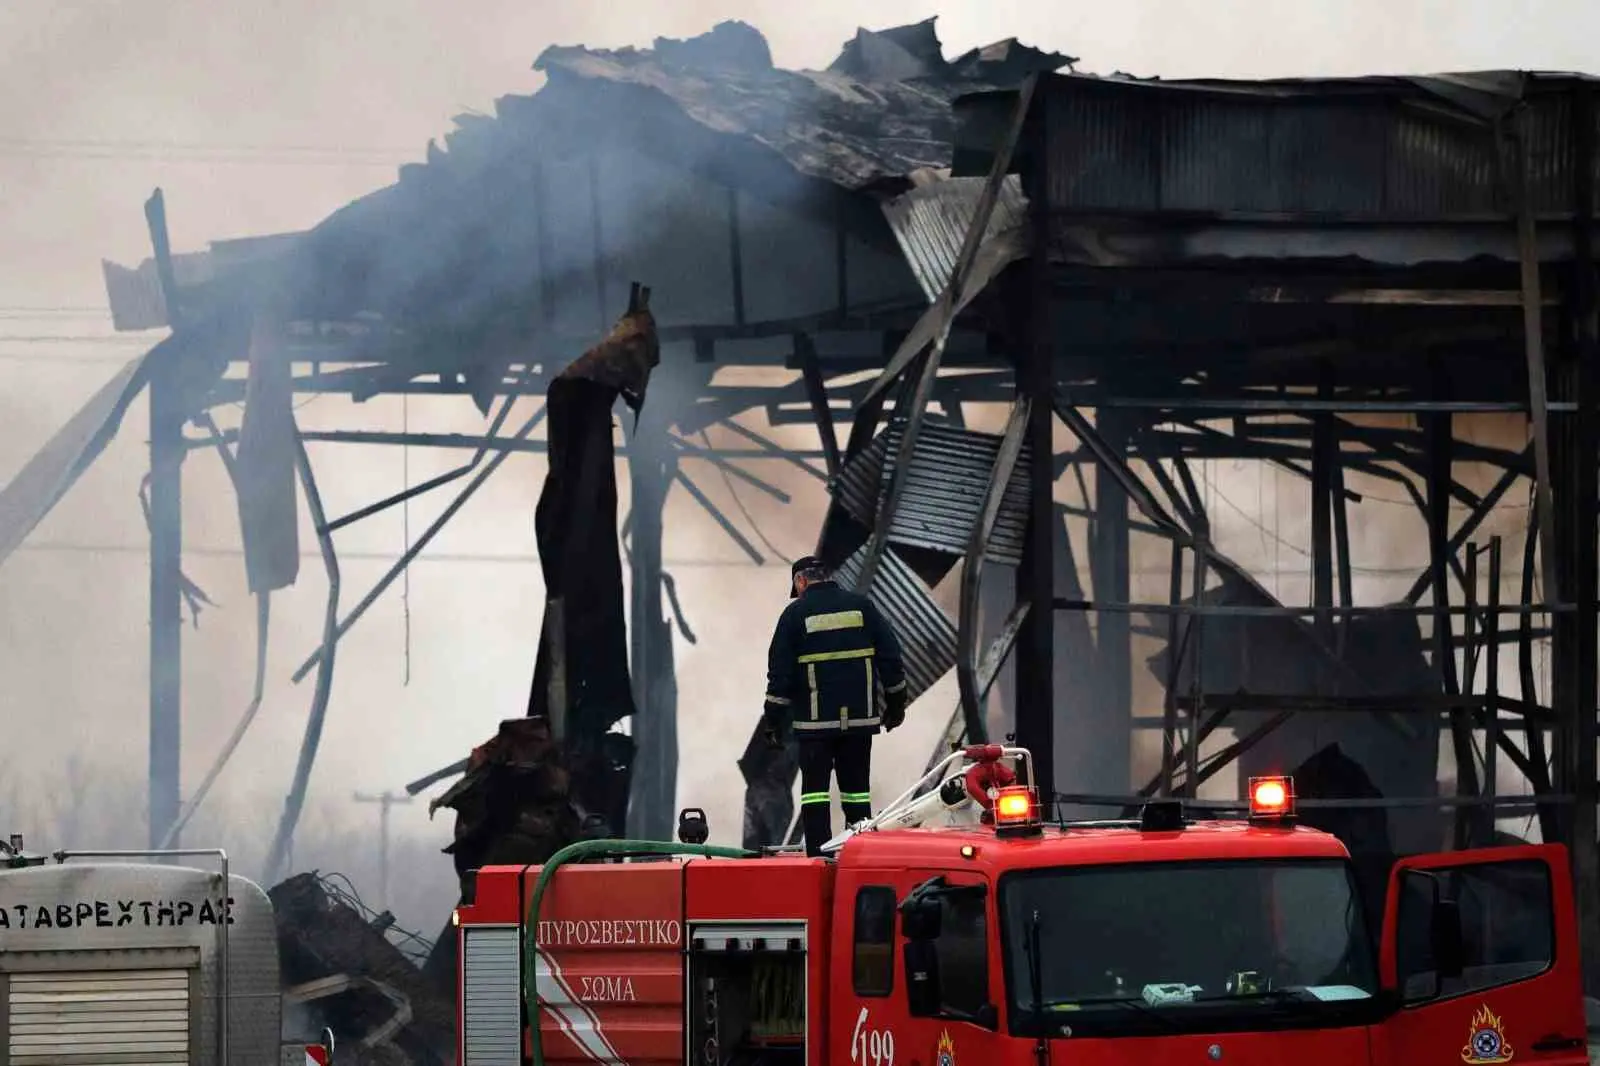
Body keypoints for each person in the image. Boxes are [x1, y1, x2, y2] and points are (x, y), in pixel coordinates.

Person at [761, 555, 909, 857]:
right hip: (858, 724)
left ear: (800, 581)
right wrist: (896, 705)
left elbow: (780, 675)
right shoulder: (863, 607)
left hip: (814, 727)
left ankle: (820, 859)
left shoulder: (795, 615)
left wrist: (773, 721)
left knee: (815, 795)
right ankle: (860, 855)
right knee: (857, 795)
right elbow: (891, 658)